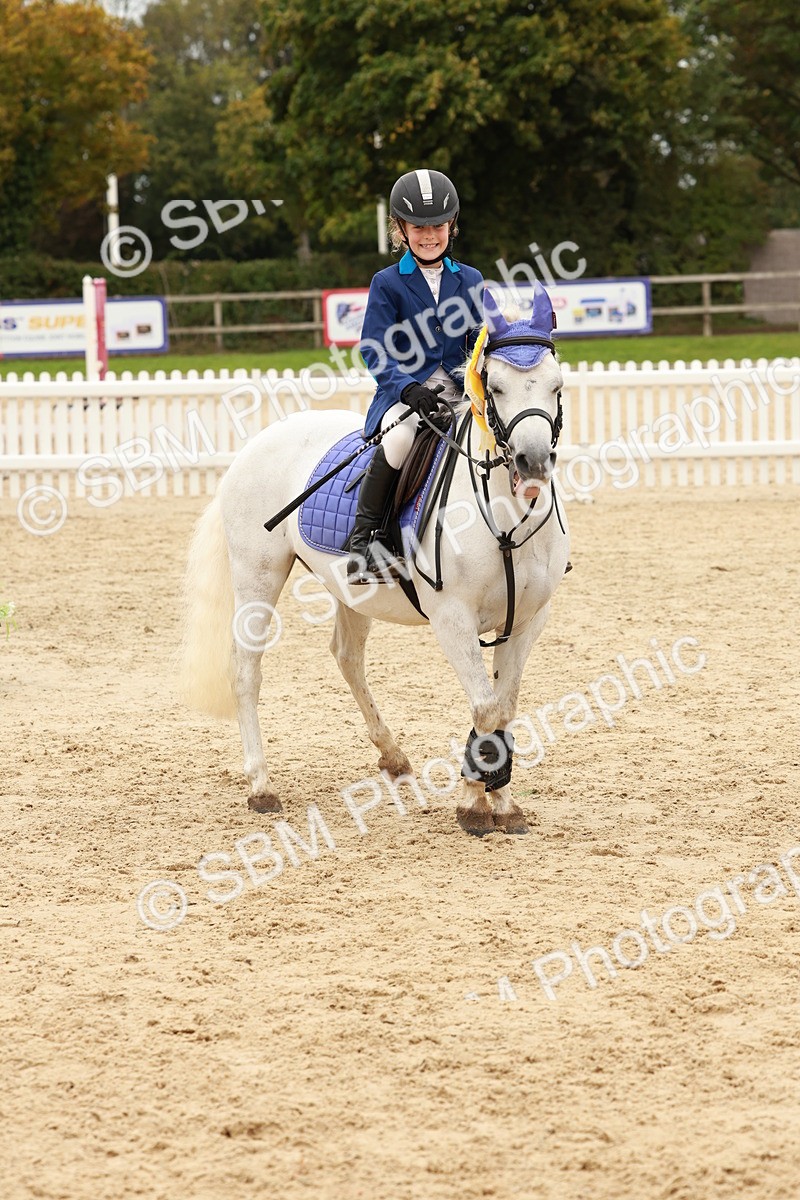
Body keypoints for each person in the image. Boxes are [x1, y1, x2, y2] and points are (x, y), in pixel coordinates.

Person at [346, 168, 483, 584]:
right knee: (400, 440)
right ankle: (364, 542)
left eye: (437, 226)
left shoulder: (470, 279)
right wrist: (408, 389)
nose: (429, 236)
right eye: (419, 227)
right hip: (404, 398)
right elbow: (374, 348)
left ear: (451, 226)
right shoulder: (387, 283)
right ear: (401, 229)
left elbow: (479, 341)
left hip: (459, 396)